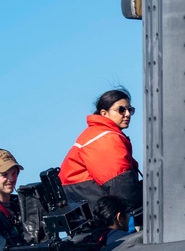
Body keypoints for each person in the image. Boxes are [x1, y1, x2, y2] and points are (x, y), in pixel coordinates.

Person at [59, 87, 142, 221]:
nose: (127, 114)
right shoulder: (105, 138)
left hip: (86, 210)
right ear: (104, 113)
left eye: (130, 110)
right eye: (121, 110)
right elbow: (121, 187)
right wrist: (142, 214)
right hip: (99, 216)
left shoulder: (97, 133)